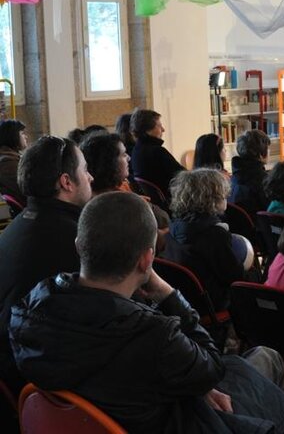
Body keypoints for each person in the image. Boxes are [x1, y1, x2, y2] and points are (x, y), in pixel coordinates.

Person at [9, 192, 284, 433]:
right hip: (171, 421)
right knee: (267, 357)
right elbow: (212, 367)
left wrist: (190, 387)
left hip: (111, 418)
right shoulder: (151, 336)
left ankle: (283, 414)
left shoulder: (29, 312)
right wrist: (168, 294)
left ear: (79, 246)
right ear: (146, 259)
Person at [0, 136, 93, 396]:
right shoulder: (75, 241)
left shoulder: (19, 224)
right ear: (66, 182)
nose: (91, 177)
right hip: (39, 381)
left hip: (13, 364)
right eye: (85, 170)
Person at [163, 169, 254, 313]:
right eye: (223, 194)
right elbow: (234, 277)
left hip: (183, 299)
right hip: (211, 303)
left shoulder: (173, 226)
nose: (226, 196)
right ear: (212, 199)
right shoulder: (214, 235)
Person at [80, 132, 170, 250]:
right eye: (123, 154)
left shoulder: (106, 193)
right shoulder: (119, 205)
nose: (129, 157)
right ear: (109, 162)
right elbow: (158, 241)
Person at [130, 108, 185, 200]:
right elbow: (183, 175)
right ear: (148, 130)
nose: (163, 130)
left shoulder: (136, 150)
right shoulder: (157, 151)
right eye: (159, 126)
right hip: (171, 199)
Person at [229, 129, 270, 217]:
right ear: (261, 154)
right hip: (258, 223)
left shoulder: (234, 176)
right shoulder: (264, 181)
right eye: (268, 148)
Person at [0, 118, 28, 207]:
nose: (26, 137)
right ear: (13, 136)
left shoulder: (10, 157)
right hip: (32, 207)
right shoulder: (8, 162)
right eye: (22, 133)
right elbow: (26, 190)